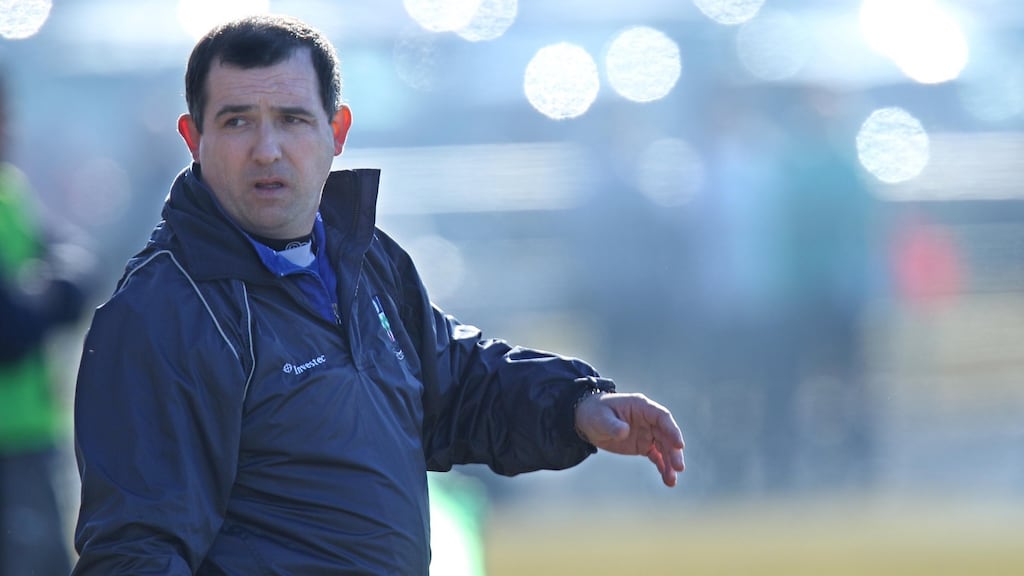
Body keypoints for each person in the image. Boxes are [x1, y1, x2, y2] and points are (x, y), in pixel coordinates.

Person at [71, 15, 685, 575]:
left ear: (337, 131)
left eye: (292, 119)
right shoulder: (164, 314)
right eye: (237, 122)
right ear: (192, 137)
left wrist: (572, 407)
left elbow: (456, 384)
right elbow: (136, 549)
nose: (267, 149)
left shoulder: (366, 263)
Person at [0, 68, 91, 576]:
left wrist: (39, 294)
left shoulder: (8, 191)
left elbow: (76, 267)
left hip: (26, 436)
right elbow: (10, 330)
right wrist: (43, 296)